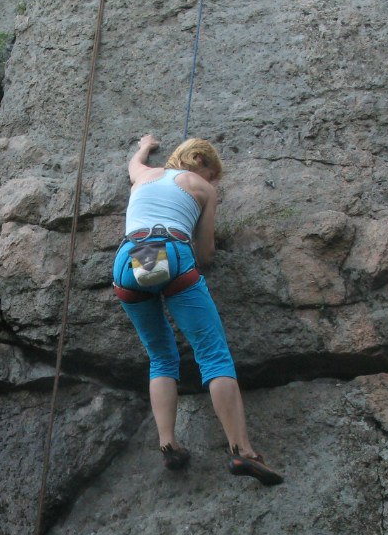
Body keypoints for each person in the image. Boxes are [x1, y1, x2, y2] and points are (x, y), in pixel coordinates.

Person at [112, 134, 282, 485]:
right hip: (169, 252)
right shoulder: (201, 188)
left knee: (160, 356)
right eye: (212, 174)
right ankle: (242, 451)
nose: (213, 182)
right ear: (200, 164)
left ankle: (168, 444)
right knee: (213, 355)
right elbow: (205, 253)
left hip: (129, 262)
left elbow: (134, 163)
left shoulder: (144, 176)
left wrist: (145, 144)